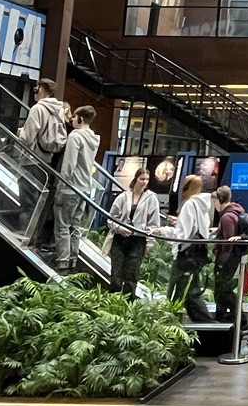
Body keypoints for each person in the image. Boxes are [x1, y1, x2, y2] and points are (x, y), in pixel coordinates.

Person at [19, 79, 71, 253]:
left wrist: (20, 133)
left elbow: (27, 137)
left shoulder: (38, 109)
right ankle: (35, 241)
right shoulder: (58, 109)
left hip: (31, 159)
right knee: (38, 203)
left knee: (27, 204)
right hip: (46, 161)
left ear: (40, 89)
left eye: (36, 88)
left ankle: (25, 240)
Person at [53, 106, 100, 273]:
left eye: (74, 117)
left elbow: (69, 164)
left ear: (80, 119)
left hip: (70, 187)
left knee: (62, 226)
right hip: (85, 188)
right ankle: (73, 260)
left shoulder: (75, 136)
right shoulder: (94, 138)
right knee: (75, 226)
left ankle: (62, 262)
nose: (72, 120)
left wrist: (61, 186)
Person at [105, 161, 161, 297]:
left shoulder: (151, 198)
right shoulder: (123, 197)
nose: (145, 182)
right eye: (142, 179)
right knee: (116, 271)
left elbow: (153, 222)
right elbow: (111, 218)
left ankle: (128, 299)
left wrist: (150, 241)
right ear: (136, 179)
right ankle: (114, 299)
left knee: (132, 272)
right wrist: (120, 229)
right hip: (120, 238)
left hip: (138, 239)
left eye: (147, 179)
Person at [166, 174, 213, 316]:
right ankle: (205, 321)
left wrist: (162, 231)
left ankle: (171, 320)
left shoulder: (189, 205)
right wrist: (179, 221)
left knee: (176, 292)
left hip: (185, 255)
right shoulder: (203, 205)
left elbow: (182, 235)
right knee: (192, 291)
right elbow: (197, 228)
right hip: (196, 256)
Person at [212, 185, 248, 327]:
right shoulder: (235, 212)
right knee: (222, 289)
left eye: (214, 201)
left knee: (223, 289)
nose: (214, 205)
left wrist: (221, 260)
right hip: (233, 257)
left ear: (220, 200)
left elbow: (228, 241)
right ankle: (224, 316)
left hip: (228, 259)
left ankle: (240, 318)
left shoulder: (227, 216)